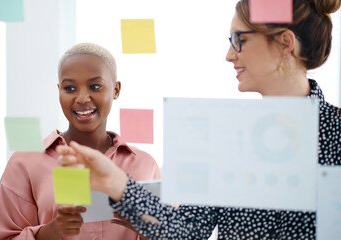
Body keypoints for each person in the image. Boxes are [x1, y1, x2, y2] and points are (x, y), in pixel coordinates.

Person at [56, 0, 341, 239]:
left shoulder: (336, 133)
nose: (229, 55)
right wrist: (116, 182)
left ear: (285, 42)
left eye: (238, 40)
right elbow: (186, 231)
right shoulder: (227, 136)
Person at [0, 43, 161, 240]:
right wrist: (51, 232)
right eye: (70, 88)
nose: (81, 98)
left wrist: (151, 231)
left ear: (116, 90)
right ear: (59, 91)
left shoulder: (145, 165)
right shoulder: (25, 163)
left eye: (95, 86)